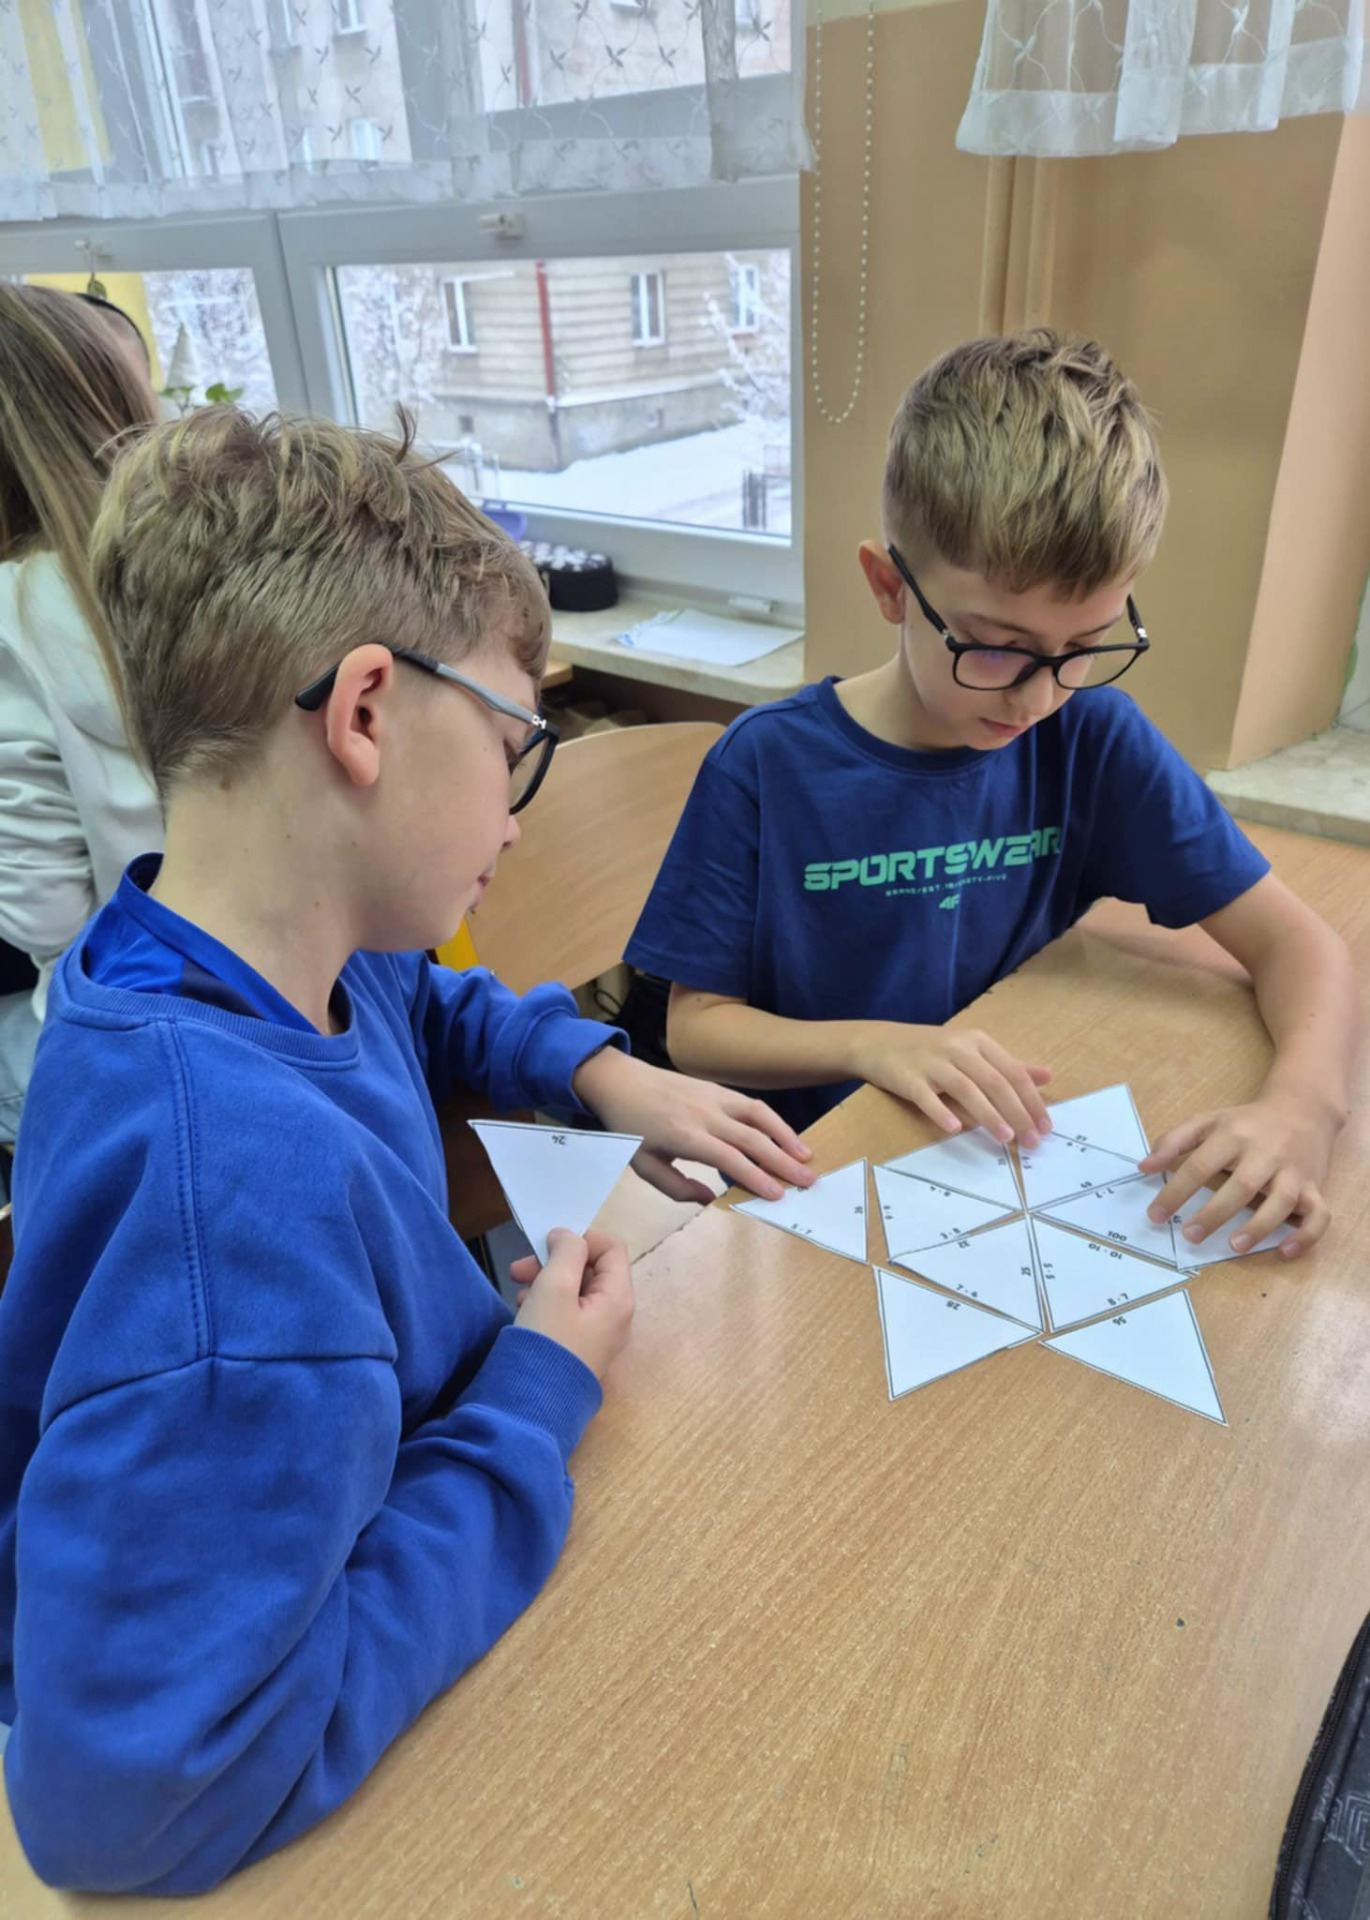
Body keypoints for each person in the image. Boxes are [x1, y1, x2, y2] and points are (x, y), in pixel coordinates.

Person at [0, 406, 813, 1894]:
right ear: (366, 712)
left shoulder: (225, 943)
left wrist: (597, 1067)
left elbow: (417, 996)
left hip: (335, 1495)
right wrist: (535, 1395)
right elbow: (130, 1806)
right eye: (513, 748)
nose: (514, 817)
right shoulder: (233, 1209)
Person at [627, 330, 1358, 1261]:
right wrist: (874, 1044)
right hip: (812, 1179)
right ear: (890, 588)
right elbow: (695, 1031)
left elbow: (1301, 945)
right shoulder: (766, 766)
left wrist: (1304, 1108)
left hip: (985, 1159)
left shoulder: (1092, 738)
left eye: (1083, 646)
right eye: (997, 646)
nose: (1037, 696)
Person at [0, 282, 163, 1144]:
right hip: (271, 1003)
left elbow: (45, 922)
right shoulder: (195, 569)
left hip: (114, 1053)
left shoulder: (14, 616)